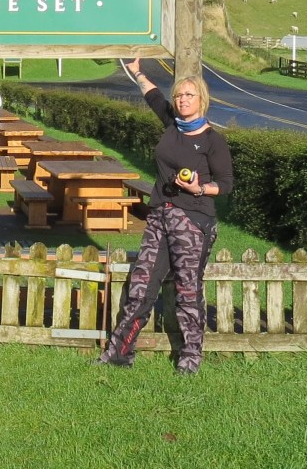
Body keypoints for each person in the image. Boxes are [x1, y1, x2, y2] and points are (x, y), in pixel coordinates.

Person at [94, 60, 233, 375]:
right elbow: (153, 95)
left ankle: (190, 359)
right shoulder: (172, 124)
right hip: (160, 215)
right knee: (141, 284)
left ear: (202, 101)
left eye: (189, 96)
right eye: (180, 96)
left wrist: (199, 188)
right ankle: (119, 353)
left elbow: (225, 184)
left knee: (187, 288)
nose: (182, 100)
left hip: (194, 221)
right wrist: (137, 71)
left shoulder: (213, 140)